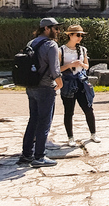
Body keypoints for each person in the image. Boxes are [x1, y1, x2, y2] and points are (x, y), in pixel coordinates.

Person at [19, 17, 63, 168]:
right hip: (45, 87)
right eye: (55, 28)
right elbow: (55, 69)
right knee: (44, 122)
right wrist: (59, 82)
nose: (58, 31)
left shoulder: (31, 43)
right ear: (46, 29)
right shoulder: (51, 45)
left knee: (33, 120)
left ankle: (26, 154)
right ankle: (39, 156)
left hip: (31, 86)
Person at [59, 25, 99, 146]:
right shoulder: (61, 50)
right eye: (77, 35)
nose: (80, 37)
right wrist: (70, 65)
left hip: (81, 82)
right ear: (69, 35)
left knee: (88, 109)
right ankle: (70, 137)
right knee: (69, 112)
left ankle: (93, 134)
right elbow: (57, 69)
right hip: (67, 83)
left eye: (81, 35)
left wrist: (81, 64)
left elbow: (87, 66)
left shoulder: (82, 50)